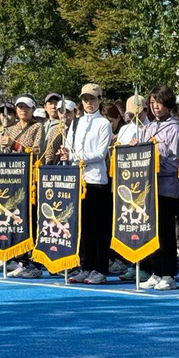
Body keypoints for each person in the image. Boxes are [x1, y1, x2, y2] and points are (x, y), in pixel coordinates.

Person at [61, 83, 113, 285]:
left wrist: (76, 156)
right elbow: (71, 147)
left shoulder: (104, 124)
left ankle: (100, 268)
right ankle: (86, 265)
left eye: (92, 98)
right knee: (83, 228)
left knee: (99, 227)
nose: (88, 103)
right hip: (79, 180)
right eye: (85, 99)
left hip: (96, 180)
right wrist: (67, 154)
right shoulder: (77, 123)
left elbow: (100, 153)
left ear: (100, 100)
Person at [136, 86, 179, 291]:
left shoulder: (174, 128)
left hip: (166, 186)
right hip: (148, 188)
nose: (155, 106)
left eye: (159, 102)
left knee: (165, 232)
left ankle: (169, 273)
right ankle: (156, 271)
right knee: (151, 231)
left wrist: (154, 164)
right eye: (152, 102)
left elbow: (175, 162)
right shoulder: (147, 127)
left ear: (168, 103)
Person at [0, 95, 45, 279]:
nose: (23, 110)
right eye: (20, 107)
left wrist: (15, 144)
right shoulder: (10, 129)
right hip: (14, 179)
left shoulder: (37, 127)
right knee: (17, 220)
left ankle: (34, 263)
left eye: (26, 107)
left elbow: (37, 151)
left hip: (30, 179)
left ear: (32, 109)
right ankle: (21, 260)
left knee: (31, 220)